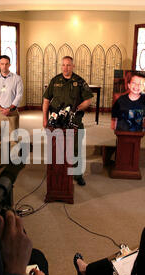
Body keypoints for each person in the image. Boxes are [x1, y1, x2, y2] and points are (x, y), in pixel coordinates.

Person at [42, 56, 93, 186]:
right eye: (63, 65)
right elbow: (46, 100)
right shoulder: (55, 80)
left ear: (73, 66)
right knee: (57, 149)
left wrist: (77, 108)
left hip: (74, 121)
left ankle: (77, 174)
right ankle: (59, 172)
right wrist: (44, 119)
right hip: (57, 121)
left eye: (68, 65)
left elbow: (88, 100)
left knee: (75, 149)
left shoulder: (80, 81)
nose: (66, 68)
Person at [0, 55, 23, 170]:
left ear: (9, 65)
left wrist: (10, 108)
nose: (4, 66)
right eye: (2, 64)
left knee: (13, 137)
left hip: (12, 112)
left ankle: (14, 160)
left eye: (6, 63)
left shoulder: (16, 78)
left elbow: (19, 95)